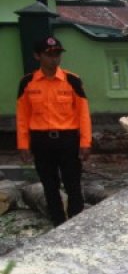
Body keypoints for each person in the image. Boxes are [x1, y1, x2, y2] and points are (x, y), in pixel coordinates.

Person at [16, 36, 91, 226]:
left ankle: (76, 223)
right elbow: (22, 116)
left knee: (73, 184)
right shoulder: (27, 83)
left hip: (67, 140)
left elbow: (83, 114)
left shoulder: (72, 80)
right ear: (37, 56)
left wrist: (85, 142)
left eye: (57, 54)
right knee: (50, 186)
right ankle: (58, 223)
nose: (54, 59)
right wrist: (23, 144)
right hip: (41, 142)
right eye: (49, 55)